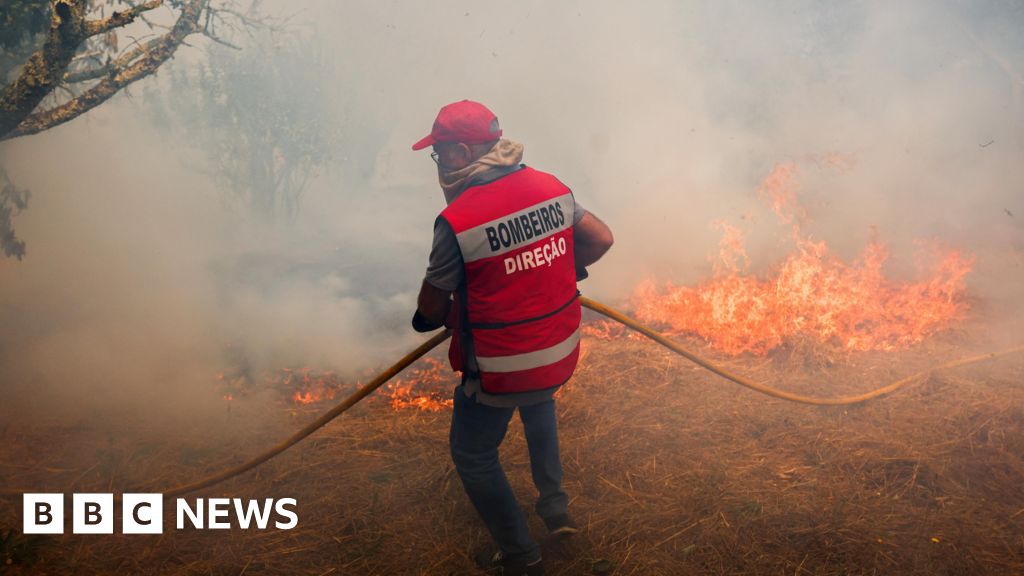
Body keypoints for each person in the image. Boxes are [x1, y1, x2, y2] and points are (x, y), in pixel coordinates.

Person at [410, 100, 613, 576]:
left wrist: (430, 318)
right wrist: (563, 270)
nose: (439, 163)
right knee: (539, 404)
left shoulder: (457, 222)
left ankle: (521, 555)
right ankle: (556, 509)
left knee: (473, 454)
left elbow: (431, 309)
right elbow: (600, 239)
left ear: (461, 152)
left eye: (439, 153)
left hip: (502, 367)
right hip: (557, 352)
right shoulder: (549, 187)